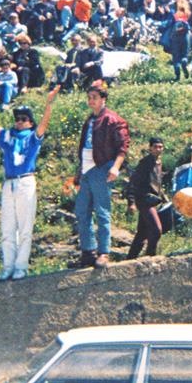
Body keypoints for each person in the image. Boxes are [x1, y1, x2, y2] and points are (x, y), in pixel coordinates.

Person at [0, 84, 61, 281]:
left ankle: (21, 267)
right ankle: (8, 267)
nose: (19, 122)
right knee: (7, 227)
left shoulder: (32, 137)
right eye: (17, 119)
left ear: (30, 123)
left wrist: (48, 103)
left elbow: (44, 125)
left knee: (24, 227)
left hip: (25, 182)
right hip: (9, 183)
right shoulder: (7, 136)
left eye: (23, 119)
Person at [74, 80, 130, 269]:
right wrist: (78, 173)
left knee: (102, 211)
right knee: (82, 211)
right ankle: (88, 250)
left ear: (103, 99)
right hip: (86, 171)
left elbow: (123, 147)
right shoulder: (89, 120)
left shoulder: (113, 120)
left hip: (102, 169)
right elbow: (82, 148)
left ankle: (104, 252)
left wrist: (115, 167)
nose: (91, 101)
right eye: (89, 98)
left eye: (94, 98)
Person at [126, 137, 167, 259]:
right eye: (155, 147)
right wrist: (131, 202)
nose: (158, 149)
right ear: (150, 148)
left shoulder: (158, 162)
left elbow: (157, 183)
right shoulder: (145, 163)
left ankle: (130, 258)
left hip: (153, 200)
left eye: (160, 147)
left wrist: (164, 197)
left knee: (142, 233)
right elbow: (133, 183)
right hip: (144, 200)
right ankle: (150, 256)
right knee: (156, 230)